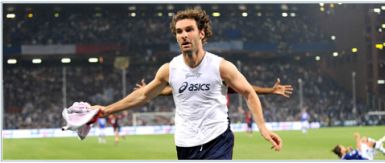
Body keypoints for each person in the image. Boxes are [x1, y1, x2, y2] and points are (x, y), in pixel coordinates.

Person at [92, 7, 282, 159]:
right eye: (179, 31)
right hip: (185, 144)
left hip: (218, 139)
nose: (183, 35)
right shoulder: (169, 69)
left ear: (201, 33)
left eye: (189, 30)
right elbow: (143, 95)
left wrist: (263, 127)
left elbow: (248, 92)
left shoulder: (221, 66)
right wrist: (106, 110)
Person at [135, 78, 293, 97]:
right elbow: (168, 92)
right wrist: (147, 90)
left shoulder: (219, 81)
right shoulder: (188, 81)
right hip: (191, 136)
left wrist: (271, 90)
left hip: (219, 134)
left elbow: (248, 89)